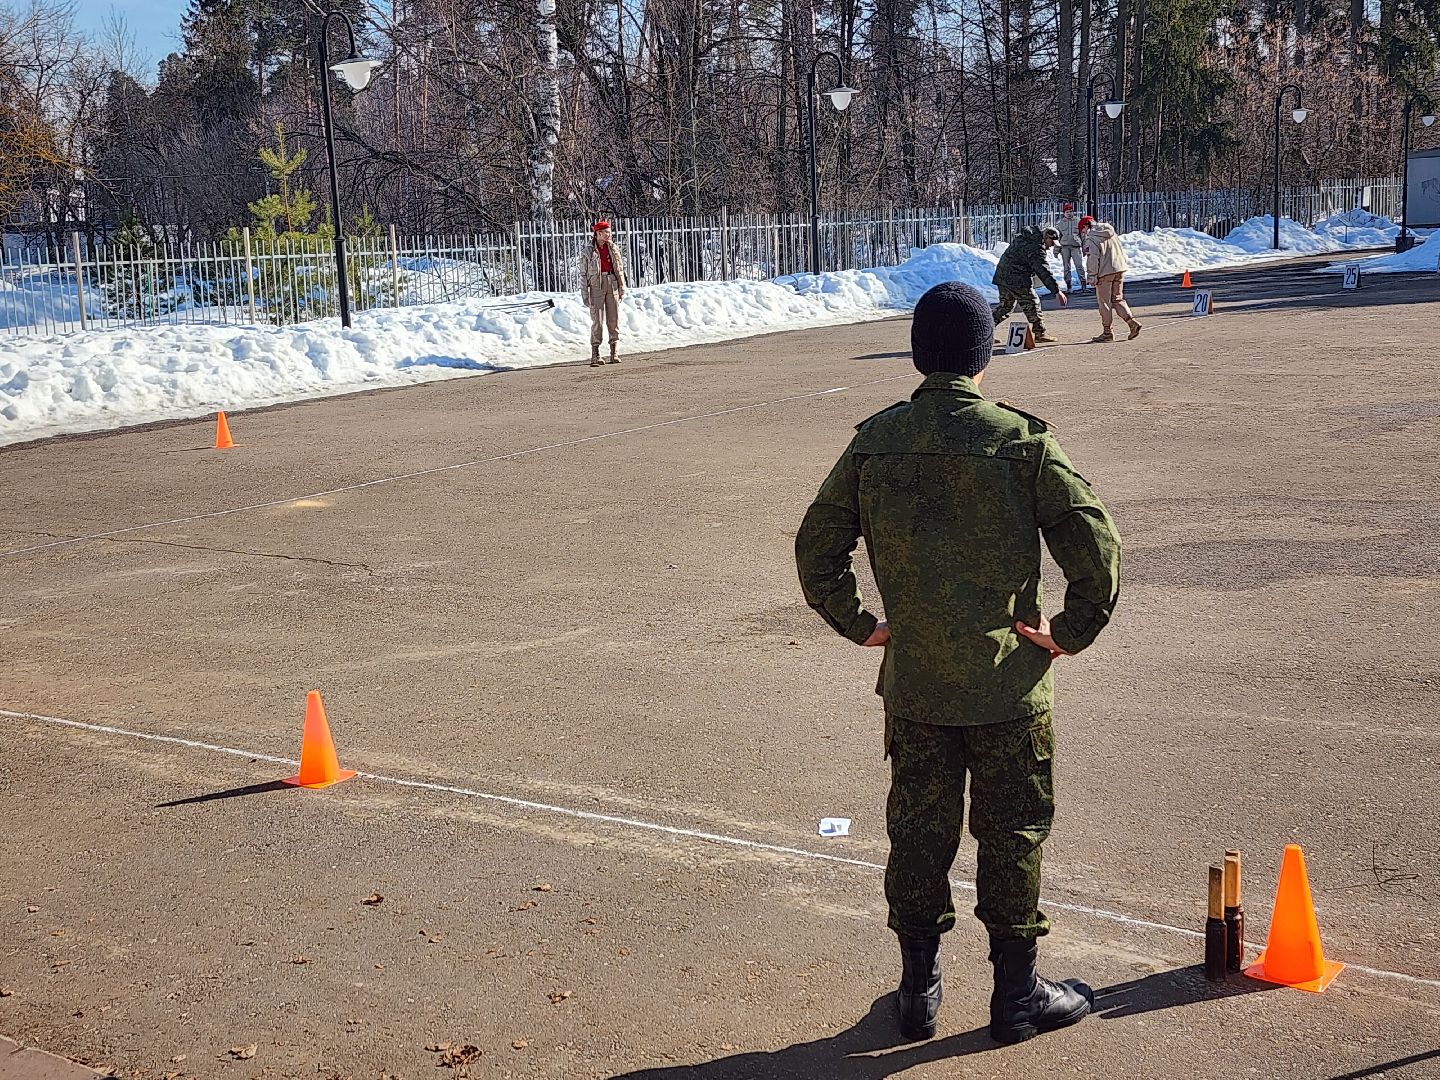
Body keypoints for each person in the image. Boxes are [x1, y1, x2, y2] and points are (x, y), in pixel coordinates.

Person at [794, 281, 1122, 1046]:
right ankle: (1015, 998)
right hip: (1008, 685)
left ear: (918, 352)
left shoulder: (876, 439)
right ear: (982, 354)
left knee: (917, 833)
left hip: (917, 685)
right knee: (1011, 835)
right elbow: (1097, 551)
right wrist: (1068, 631)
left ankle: (918, 993)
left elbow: (817, 548)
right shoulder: (1020, 441)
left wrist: (863, 624)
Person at [991, 225, 1066, 344]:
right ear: (1046, 237)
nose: (1051, 246)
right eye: (1051, 242)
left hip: (1002, 276)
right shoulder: (1035, 247)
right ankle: (1040, 333)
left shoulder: (1027, 237)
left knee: (1005, 307)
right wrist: (1057, 291)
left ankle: (985, 331)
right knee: (1032, 303)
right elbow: (1042, 270)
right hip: (1017, 279)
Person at [1080, 218, 1142, 342]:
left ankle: (1107, 332)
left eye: (1082, 229)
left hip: (1104, 272)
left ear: (1087, 226)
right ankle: (1131, 322)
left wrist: (1092, 276)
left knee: (1104, 302)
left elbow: (1093, 259)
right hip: (1119, 269)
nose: (1082, 233)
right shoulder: (1110, 231)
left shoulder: (1092, 238)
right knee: (1117, 299)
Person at [580, 220, 627, 365]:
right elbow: (583, 274)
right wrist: (585, 293)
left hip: (611, 282)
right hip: (596, 286)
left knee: (613, 318)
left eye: (609, 231)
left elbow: (619, 268)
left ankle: (614, 351)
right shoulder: (588, 250)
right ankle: (596, 353)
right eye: (606, 232)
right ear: (598, 233)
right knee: (597, 321)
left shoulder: (613, 248)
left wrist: (621, 286)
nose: (609, 234)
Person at [1057, 205, 1085, 293]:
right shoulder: (1060, 223)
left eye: (1070, 211)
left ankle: (1083, 285)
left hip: (1075, 246)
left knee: (1079, 265)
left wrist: (1084, 248)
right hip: (1064, 247)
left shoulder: (1078, 221)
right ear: (1064, 213)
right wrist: (1056, 250)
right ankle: (1069, 286)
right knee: (1066, 267)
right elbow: (1057, 237)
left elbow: (1083, 235)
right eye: (1067, 212)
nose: (1069, 213)